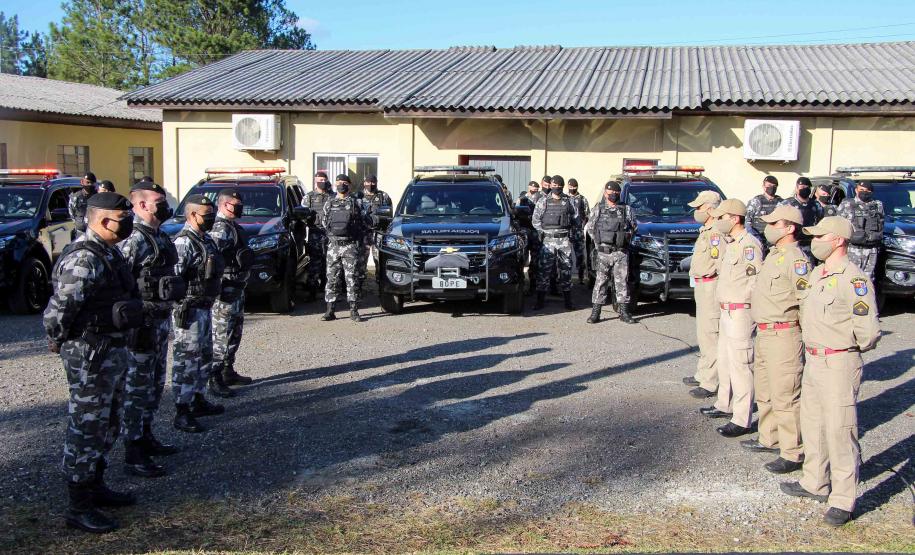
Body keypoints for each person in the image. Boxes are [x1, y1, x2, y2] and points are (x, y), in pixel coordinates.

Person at [43, 191, 145, 533]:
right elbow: (58, 312)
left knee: (108, 421)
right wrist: (59, 340)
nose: (129, 222)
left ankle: (96, 485)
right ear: (103, 220)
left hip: (111, 351)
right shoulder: (84, 258)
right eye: (123, 218)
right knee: (87, 426)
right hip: (90, 354)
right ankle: (79, 504)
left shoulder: (108, 253)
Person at [780, 216, 880, 527]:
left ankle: (843, 499)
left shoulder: (855, 279)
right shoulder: (817, 273)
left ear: (837, 240)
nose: (815, 241)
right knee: (813, 425)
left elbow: (869, 331)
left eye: (821, 235)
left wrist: (843, 348)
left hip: (838, 361)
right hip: (813, 360)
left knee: (840, 430)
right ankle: (814, 482)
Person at [118, 182, 184, 479]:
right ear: (142, 205)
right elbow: (121, 284)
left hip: (159, 321)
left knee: (154, 385)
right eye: (159, 201)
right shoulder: (133, 239)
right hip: (141, 325)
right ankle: (133, 450)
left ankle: (146, 435)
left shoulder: (158, 235)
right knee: (137, 388)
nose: (165, 204)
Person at [744, 205, 810, 474]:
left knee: (785, 396)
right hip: (765, 332)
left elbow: (806, 301)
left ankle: (793, 451)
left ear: (789, 228)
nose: (768, 227)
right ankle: (769, 436)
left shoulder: (797, 261)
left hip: (784, 334)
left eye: (774, 223)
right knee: (766, 391)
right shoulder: (775, 255)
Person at [698, 199, 762, 438]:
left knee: (740, 366)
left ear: (735, 219)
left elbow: (755, 281)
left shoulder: (749, 245)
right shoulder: (732, 243)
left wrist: (747, 306)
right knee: (725, 361)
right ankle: (724, 403)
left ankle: (742, 417)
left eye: (723, 217)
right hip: (726, 309)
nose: (719, 221)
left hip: (740, 311)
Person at [171, 194, 225, 433]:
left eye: (213, 214)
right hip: (189, 310)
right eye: (207, 215)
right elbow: (176, 279)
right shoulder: (184, 242)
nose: (211, 218)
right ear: (192, 215)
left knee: (204, 357)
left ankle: (198, 399)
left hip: (205, 307)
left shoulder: (205, 239)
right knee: (187, 361)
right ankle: (182, 410)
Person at [210, 189, 254, 393]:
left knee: (234, 333)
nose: (240, 207)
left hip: (237, 289)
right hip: (224, 292)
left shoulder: (232, 226)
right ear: (224, 204)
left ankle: (228, 370)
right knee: (221, 335)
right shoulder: (219, 228)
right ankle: (214, 377)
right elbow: (213, 262)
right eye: (236, 204)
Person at [683, 190, 722, 398]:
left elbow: (720, 263)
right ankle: (702, 373)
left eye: (698, 207)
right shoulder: (706, 229)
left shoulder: (716, 232)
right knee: (703, 333)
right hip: (702, 285)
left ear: (709, 208)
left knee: (711, 334)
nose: (695, 211)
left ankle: (710, 381)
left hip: (711, 287)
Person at [321, 174, 373, 322]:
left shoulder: (358, 203)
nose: (341, 185)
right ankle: (330, 311)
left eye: (344, 183)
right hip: (334, 246)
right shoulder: (329, 203)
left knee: (352, 279)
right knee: (332, 278)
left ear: (349, 185)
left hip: (351, 246)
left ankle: (354, 311)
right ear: (335, 184)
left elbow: (367, 223)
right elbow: (325, 223)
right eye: (339, 182)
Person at [584, 181, 636, 324]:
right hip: (603, 253)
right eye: (610, 192)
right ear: (605, 194)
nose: (613, 194)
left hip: (620, 253)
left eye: (615, 192)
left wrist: (624, 239)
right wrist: (599, 243)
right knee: (600, 282)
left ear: (619, 194)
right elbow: (590, 228)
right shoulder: (598, 209)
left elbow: (633, 227)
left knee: (621, 283)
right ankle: (596, 312)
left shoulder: (626, 210)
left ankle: (624, 312)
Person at [532, 175, 579, 311]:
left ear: (562, 186)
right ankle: (540, 301)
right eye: (554, 185)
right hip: (548, 241)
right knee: (544, 271)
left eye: (558, 186)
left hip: (564, 240)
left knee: (566, 270)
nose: (556, 188)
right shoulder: (543, 201)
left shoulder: (568, 201)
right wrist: (544, 232)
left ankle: (568, 302)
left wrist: (572, 235)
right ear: (550, 186)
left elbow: (576, 220)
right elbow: (535, 220)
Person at [837, 181, 885, 282]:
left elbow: (881, 224)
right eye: (861, 190)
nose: (864, 192)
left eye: (867, 191)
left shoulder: (878, 205)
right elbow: (838, 226)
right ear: (856, 190)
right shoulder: (847, 204)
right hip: (852, 249)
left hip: (872, 249)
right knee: (851, 278)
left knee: (868, 279)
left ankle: (865, 298)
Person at [302, 171, 334, 301]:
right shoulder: (308, 197)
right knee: (315, 263)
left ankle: (331, 293)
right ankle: (312, 292)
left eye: (323, 179)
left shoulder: (333, 196)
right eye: (319, 179)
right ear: (315, 180)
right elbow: (302, 216)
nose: (321, 182)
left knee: (331, 264)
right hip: (315, 233)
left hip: (331, 234)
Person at [779, 177, 823, 258]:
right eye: (802, 187)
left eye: (807, 187)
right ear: (796, 188)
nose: (805, 189)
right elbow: (778, 223)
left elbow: (821, 223)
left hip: (810, 246)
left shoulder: (816, 205)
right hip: (791, 245)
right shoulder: (786, 204)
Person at [359, 174, 392, 276]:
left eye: (373, 182)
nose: (370, 184)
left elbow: (389, 215)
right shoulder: (358, 196)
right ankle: (359, 284)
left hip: (379, 233)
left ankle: (380, 281)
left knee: (379, 260)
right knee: (361, 260)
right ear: (364, 183)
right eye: (368, 182)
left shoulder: (383, 196)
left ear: (376, 183)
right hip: (363, 233)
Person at [518, 181, 543, 294]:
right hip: (524, 231)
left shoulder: (542, 199)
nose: (534, 189)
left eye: (536, 187)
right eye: (533, 186)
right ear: (529, 187)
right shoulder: (522, 198)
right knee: (521, 259)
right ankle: (521, 283)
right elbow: (516, 213)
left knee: (536, 260)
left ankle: (533, 285)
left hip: (535, 232)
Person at [745, 175, 782, 242]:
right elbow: (747, 223)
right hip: (758, 238)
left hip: (775, 240)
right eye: (769, 185)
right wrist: (756, 238)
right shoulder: (756, 201)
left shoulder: (781, 202)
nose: (772, 188)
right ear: (763, 187)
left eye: (774, 186)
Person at [567, 178, 590, 283]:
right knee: (565, 255)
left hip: (578, 231)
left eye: (574, 187)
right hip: (566, 231)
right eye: (570, 187)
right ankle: (564, 276)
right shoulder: (564, 198)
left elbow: (587, 214)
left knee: (580, 255)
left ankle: (581, 277)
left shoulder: (582, 199)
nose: (572, 189)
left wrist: (583, 226)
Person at [68, 172, 98, 237]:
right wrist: (78, 223)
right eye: (87, 182)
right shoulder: (76, 197)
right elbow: (71, 212)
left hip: (94, 232)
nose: (89, 185)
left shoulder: (97, 197)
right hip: (80, 231)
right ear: (82, 182)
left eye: (92, 183)